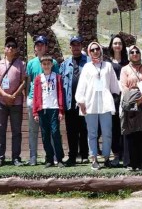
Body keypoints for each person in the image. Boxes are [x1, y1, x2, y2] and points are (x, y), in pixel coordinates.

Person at [75, 41, 121, 170]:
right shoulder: (87, 67)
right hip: (90, 104)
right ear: (89, 52)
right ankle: (94, 158)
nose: (95, 51)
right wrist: (81, 101)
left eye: (97, 49)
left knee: (107, 132)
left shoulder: (108, 66)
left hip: (105, 104)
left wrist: (116, 97)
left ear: (100, 50)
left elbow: (114, 85)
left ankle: (106, 157)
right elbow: (81, 86)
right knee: (92, 133)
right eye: (92, 50)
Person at [0, 36, 27, 167]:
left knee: (16, 131)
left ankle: (16, 158)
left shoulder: (21, 64)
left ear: (16, 49)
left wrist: (14, 95)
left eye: (13, 46)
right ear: (4, 49)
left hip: (16, 102)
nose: (10, 48)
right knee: (0, 130)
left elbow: (24, 81)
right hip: (0, 101)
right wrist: (5, 95)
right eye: (8, 46)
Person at [119, 45, 142, 171]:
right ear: (129, 55)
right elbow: (124, 86)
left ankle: (140, 162)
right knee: (129, 132)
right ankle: (129, 162)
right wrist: (132, 100)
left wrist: (140, 100)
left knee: (140, 131)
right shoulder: (125, 69)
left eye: (137, 51)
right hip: (129, 103)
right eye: (132, 52)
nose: (134, 54)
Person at [26, 35, 58, 166]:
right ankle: (33, 156)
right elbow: (28, 82)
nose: (39, 47)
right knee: (33, 130)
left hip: (48, 101)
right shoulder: (31, 63)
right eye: (37, 45)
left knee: (50, 130)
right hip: (33, 100)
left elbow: (56, 81)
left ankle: (52, 156)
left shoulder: (53, 62)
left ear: (45, 47)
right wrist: (28, 97)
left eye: (42, 44)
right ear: (35, 48)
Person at [32, 55, 66, 167]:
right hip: (43, 109)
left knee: (55, 132)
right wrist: (35, 112)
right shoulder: (38, 78)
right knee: (45, 135)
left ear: (52, 65)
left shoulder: (57, 77)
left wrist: (61, 110)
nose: (46, 66)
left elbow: (61, 93)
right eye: (44, 64)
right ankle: (49, 159)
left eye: (48, 64)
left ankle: (59, 158)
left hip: (54, 108)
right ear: (41, 65)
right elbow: (36, 96)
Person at [61, 35, 89, 165]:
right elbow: (61, 84)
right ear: (70, 47)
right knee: (71, 131)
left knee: (84, 129)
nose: (76, 47)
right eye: (74, 45)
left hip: (84, 102)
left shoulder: (88, 62)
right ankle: (72, 156)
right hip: (69, 102)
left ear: (81, 46)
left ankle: (84, 155)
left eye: (78, 44)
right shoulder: (65, 64)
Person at [105, 34, 127, 166]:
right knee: (114, 128)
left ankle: (126, 154)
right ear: (111, 46)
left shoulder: (127, 62)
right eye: (115, 43)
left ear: (123, 46)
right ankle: (116, 154)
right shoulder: (107, 63)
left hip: (125, 99)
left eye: (119, 43)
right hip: (112, 99)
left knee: (125, 126)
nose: (117, 45)